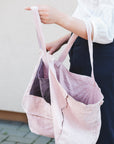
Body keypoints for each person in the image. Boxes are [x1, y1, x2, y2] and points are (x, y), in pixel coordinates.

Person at [25, 1, 114, 143]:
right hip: (87, 47)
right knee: (82, 124)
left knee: (99, 128)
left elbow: (105, 31)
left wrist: (59, 18)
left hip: (99, 56)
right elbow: (92, 16)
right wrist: (64, 40)